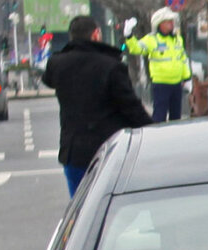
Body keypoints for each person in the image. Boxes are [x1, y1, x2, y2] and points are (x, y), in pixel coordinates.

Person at [42, 14, 152, 197]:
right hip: (109, 149)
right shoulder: (111, 65)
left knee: (79, 209)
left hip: (73, 151)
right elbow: (130, 107)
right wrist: (151, 129)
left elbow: (48, 80)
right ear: (96, 34)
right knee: (111, 204)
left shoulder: (57, 63)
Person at [122, 8, 192, 123]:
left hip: (177, 84)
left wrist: (187, 78)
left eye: (172, 21)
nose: (171, 24)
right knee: (160, 116)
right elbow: (136, 48)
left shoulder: (177, 39)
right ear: (160, 23)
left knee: (176, 118)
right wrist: (129, 35)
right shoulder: (152, 39)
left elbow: (183, 59)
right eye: (168, 21)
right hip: (161, 84)